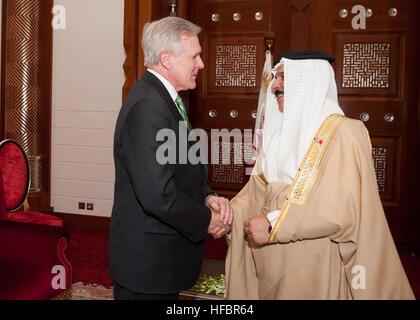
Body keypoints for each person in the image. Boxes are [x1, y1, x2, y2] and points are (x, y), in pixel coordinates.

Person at [225, 51, 415, 300]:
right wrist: (227, 214)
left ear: (308, 81)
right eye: (275, 78)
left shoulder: (345, 133)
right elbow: (257, 190)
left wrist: (274, 224)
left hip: (311, 258)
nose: (275, 86)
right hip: (266, 258)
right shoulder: (276, 134)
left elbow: (343, 207)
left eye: (283, 78)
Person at [109, 17, 233, 300]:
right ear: (166, 59)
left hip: (161, 261)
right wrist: (207, 220)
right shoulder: (148, 107)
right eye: (195, 56)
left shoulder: (166, 100)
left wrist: (206, 195)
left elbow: (180, 167)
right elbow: (158, 196)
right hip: (147, 266)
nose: (200, 64)